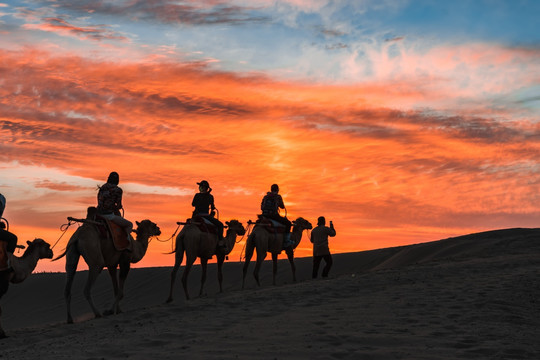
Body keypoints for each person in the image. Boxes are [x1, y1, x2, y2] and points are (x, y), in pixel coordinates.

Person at [96, 172, 133, 247]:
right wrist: (118, 206)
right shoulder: (117, 190)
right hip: (108, 215)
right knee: (129, 224)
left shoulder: (102, 187)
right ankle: (125, 244)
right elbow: (118, 205)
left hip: (97, 213)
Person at [191, 180, 224, 247]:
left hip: (196, 216)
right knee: (220, 225)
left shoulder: (197, 195)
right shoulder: (210, 197)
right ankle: (220, 240)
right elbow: (212, 207)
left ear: (203, 187)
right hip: (206, 216)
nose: (199, 188)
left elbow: (193, 204)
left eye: (200, 186)